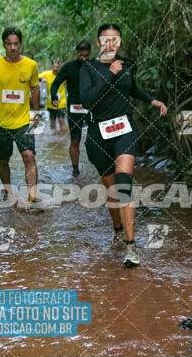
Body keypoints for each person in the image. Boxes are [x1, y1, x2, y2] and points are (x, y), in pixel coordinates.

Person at [79, 24, 167, 267]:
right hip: (99, 135)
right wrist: (110, 74)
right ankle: (117, 228)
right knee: (112, 192)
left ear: (120, 43)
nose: (111, 43)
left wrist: (151, 100)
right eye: (106, 39)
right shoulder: (88, 68)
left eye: (115, 39)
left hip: (125, 130)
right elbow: (87, 100)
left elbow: (131, 88)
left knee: (124, 185)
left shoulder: (127, 65)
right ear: (98, 43)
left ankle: (131, 246)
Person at [0, 27, 40, 204]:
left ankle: (32, 197)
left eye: (16, 43)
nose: (13, 47)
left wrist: (36, 111)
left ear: (20, 44)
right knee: (4, 159)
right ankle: (8, 190)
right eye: (9, 43)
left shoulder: (31, 65)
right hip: (1, 122)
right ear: (4, 44)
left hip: (24, 120)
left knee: (29, 156)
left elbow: (35, 88)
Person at [50, 40, 91, 176]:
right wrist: (54, 97)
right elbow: (55, 84)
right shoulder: (68, 67)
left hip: (92, 107)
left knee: (97, 139)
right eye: (82, 56)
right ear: (77, 53)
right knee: (75, 139)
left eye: (86, 55)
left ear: (89, 53)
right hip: (75, 108)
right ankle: (75, 169)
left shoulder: (94, 66)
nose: (84, 58)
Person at [38, 60, 67, 133]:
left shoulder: (63, 75)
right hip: (50, 102)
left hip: (61, 102)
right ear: (51, 66)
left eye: (57, 67)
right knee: (52, 122)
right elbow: (35, 77)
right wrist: (41, 79)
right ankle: (53, 139)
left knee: (61, 120)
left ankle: (64, 137)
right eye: (53, 66)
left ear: (60, 67)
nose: (55, 68)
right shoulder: (47, 74)